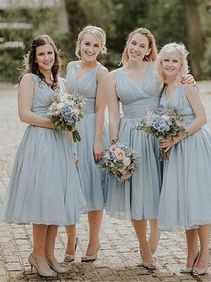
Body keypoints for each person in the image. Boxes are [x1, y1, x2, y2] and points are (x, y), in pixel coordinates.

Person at [106, 28, 195, 269]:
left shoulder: (156, 69)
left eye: (141, 46)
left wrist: (189, 80)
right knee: (136, 195)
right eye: (132, 43)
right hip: (130, 137)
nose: (135, 48)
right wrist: (114, 146)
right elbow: (113, 115)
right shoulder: (113, 77)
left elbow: (176, 79)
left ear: (148, 50)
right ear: (127, 44)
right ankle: (144, 250)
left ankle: (153, 240)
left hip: (157, 136)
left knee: (158, 190)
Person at [0, 35, 87, 278]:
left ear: (55, 55)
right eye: (41, 54)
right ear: (34, 58)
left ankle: (49, 254)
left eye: (50, 53)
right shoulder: (29, 80)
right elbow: (24, 115)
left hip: (61, 145)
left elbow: (70, 124)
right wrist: (53, 123)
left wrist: (72, 151)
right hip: (39, 143)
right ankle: (36, 254)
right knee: (43, 199)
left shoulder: (62, 82)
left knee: (56, 200)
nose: (46, 58)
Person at [157, 42, 211, 275]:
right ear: (160, 63)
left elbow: (202, 118)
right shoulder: (163, 86)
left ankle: (206, 252)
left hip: (194, 146)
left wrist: (175, 137)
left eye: (174, 60)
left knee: (198, 200)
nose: (170, 64)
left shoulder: (186, 85)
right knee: (185, 201)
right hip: (176, 151)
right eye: (166, 60)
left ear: (182, 64)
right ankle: (191, 252)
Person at [64, 25, 109, 262]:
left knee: (92, 185)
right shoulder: (70, 67)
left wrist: (98, 141)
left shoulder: (102, 73)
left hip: (90, 127)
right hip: (68, 128)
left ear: (101, 48)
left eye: (95, 45)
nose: (90, 49)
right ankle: (71, 239)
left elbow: (101, 108)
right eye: (87, 43)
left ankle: (94, 240)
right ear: (79, 44)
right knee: (68, 184)